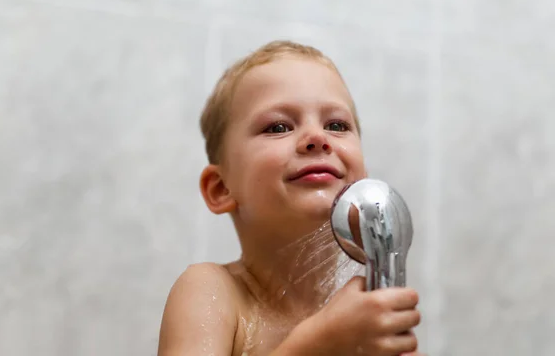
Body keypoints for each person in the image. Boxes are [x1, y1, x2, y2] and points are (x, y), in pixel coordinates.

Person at [158, 40, 422, 356]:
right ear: (221, 188)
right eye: (279, 126)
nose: (317, 138)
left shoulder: (366, 317)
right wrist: (318, 344)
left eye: (336, 125)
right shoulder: (212, 292)